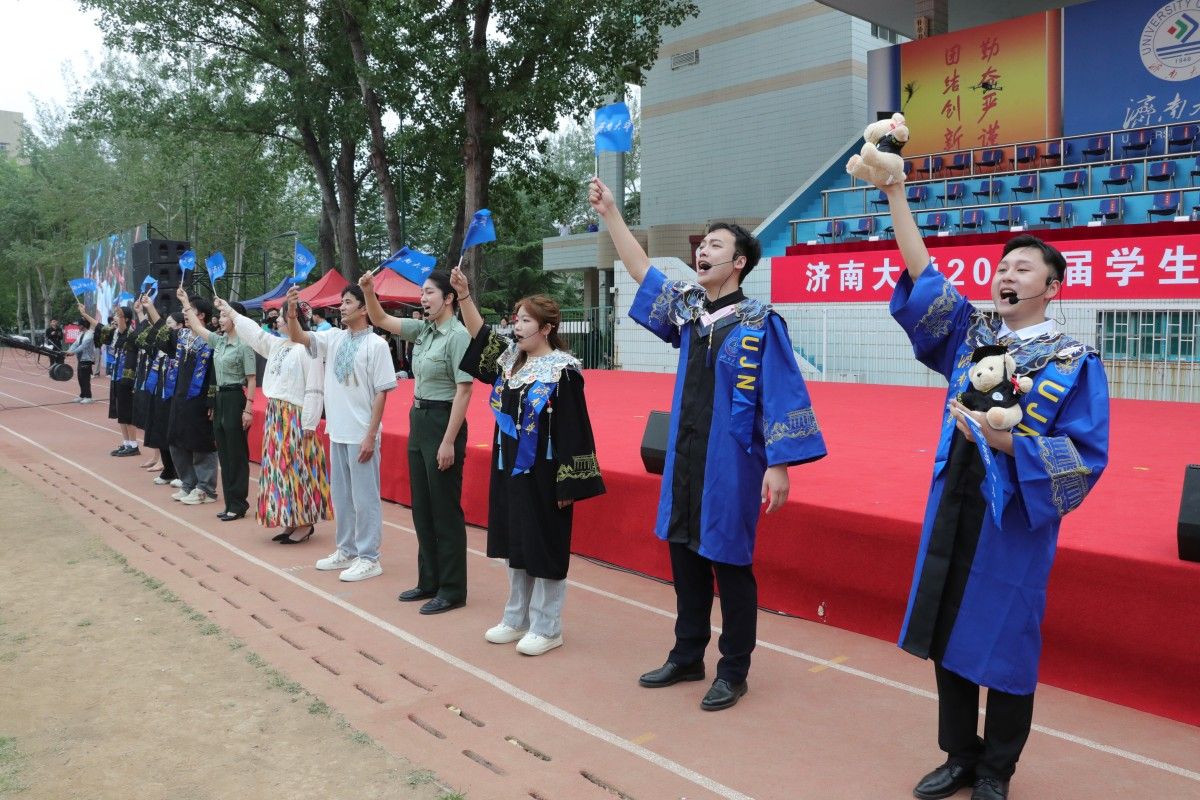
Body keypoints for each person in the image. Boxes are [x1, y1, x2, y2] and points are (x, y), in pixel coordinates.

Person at [880, 180, 1109, 800]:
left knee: (1007, 645)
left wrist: (1006, 443)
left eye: (1022, 268)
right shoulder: (972, 336)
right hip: (953, 506)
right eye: (1003, 266)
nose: (1006, 275)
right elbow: (922, 272)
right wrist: (896, 192)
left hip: (1015, 522)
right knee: (947, 631)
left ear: (1052, 287)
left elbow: (1084, 459)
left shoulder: (1074, 363)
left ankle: (996, 770)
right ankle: (960, 754)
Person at [589, 176, 828, 711]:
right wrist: (611, 214)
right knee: (685, 559)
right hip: (686, 454)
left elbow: (783, 392)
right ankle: (687, 654)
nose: (703, 251)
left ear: (739, 262)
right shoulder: (691, 312)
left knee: (730, 563)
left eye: (715, 245)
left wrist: (780, 463)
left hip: (732, 461)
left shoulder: (760, 323)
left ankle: (734, 669)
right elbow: (641, 271)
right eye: (702, 245)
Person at [450, 266, 605, 655]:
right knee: (515, 541)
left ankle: (548, 626)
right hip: (510, 469)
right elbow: (481, 335)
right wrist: (464, 294)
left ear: (546, 328)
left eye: (525, 321)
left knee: (544, 544)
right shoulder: (510, 362)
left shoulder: (563, 372)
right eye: (516, 320)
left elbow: (575, 429)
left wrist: (569, 484)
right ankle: (516, 617)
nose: (516, 327)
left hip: (547, 473)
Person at [359, 270, 473, 613]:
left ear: (448, 298)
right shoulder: (423, 330)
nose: (423, 299)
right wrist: (369, 291)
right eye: (422, 293)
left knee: (445, 509)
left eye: (429, 293)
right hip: (419, 419)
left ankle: (452, 588)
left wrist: (448, 441)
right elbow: (380, 318)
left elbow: (464, 391)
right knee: (422, 507)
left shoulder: (458, 336)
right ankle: (429, 580)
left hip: (443, 421)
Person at [286, 282, 396, 582]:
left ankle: (369, 557)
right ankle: (347, 550)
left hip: (362, 434)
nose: (341, 307)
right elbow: (298, 336)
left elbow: (381, 393)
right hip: (337, 432)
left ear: (364, 308)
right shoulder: (333, 338)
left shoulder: (377, 345)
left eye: (348, 302)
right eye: (342, 302)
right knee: (343, 498)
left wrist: (370, 435)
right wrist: (292, 312)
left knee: (365, 498)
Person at [217, 296, 331, 543]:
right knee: (281, 470)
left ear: (294, 318)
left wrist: (309, 422)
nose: (277, 320)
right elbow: (255, 335)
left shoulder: (308, 347)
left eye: (281, 316)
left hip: (296, 416)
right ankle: (290, 520)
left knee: (298, 469)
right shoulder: (278, 345)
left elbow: (315, 388)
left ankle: (305, 523)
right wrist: (230, 311)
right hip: (276, 414)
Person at [180, 287, 258, 521]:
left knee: (237, 454)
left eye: (224, 315)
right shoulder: (219, 341)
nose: (220, 320)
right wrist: (185, 302)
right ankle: (229, 502)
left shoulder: (244, 345)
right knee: (223, 452)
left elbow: (251, 379)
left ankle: (239, 503)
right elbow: (197, 327)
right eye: (220, 316)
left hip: (235, 398)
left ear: (235, 318)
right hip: (221, 399)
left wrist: (248, 409)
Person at [167, 291, 220, 506]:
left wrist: (211, 401)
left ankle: (206, 488)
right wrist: (147, 309)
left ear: (202, 316)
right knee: (177, 440)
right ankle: (188, 483)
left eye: (189, 311)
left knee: (201, 443)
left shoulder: (212, 340)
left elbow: (215, 374)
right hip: (180, 397)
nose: (184, 315)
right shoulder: (181, 337)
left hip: (200, 399)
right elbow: (155, 336)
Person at [80, 302, 141, 457]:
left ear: (126, 319)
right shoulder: (115, 334)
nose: (114, 319)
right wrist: (85, 314)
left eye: (118, 316)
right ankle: (126, 443)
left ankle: (134, 445)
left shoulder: (132, 336)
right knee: (120, 412)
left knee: (128, 413)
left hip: (127, 379)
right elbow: (98, 326)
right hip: (116, 377)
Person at [65, 316, 95, 404]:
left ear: (83, 325)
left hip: (87, 359)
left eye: (79, 325)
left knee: (85, 378)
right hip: (80, 359)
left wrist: (73, 352)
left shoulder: (90, 334)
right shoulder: (80, 334)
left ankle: (88, 397)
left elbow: (83, 346)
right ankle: (82, 395)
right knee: (80, 378)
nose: (78, 326)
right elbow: (75, 344)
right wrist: (68, 351)